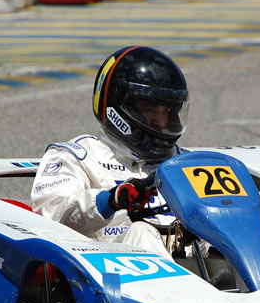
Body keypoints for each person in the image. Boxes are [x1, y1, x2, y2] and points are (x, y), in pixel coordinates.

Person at [31, 46, 189, 257]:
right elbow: (51, 219)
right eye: (151, 110)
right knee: (142, 232)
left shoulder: (184, 161)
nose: (161, 122)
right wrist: (111, 200)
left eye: (167, 112)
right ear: (120, 108)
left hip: (195, 264)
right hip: (114, 271)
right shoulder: (77, 156)